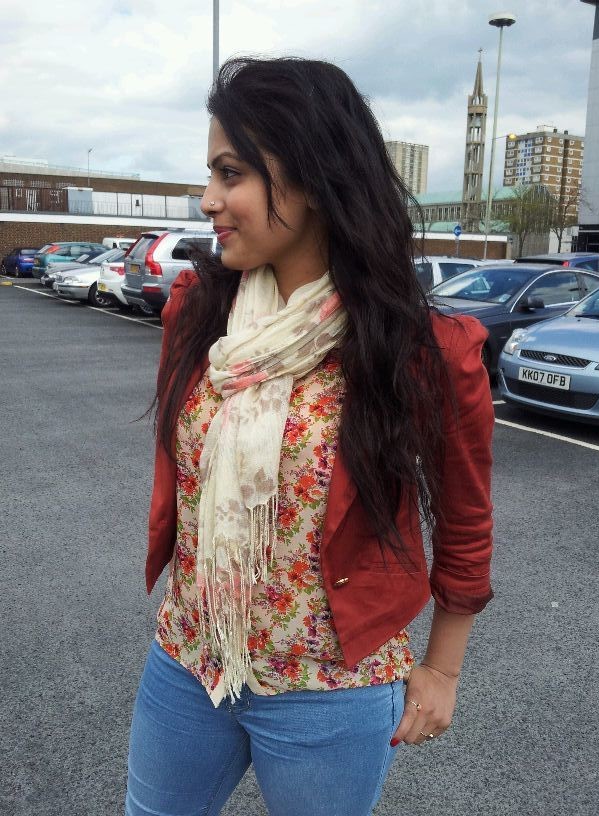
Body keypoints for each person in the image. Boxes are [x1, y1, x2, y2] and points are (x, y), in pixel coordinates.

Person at [125, 56, 494, 816]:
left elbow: (464, 521)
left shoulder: (421, 349)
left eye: (231, 174)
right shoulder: (197, 312)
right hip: (191, 658)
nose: (208, 199)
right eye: (211, 173)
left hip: (331, 686)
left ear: (313, 180)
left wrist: (443, 671)